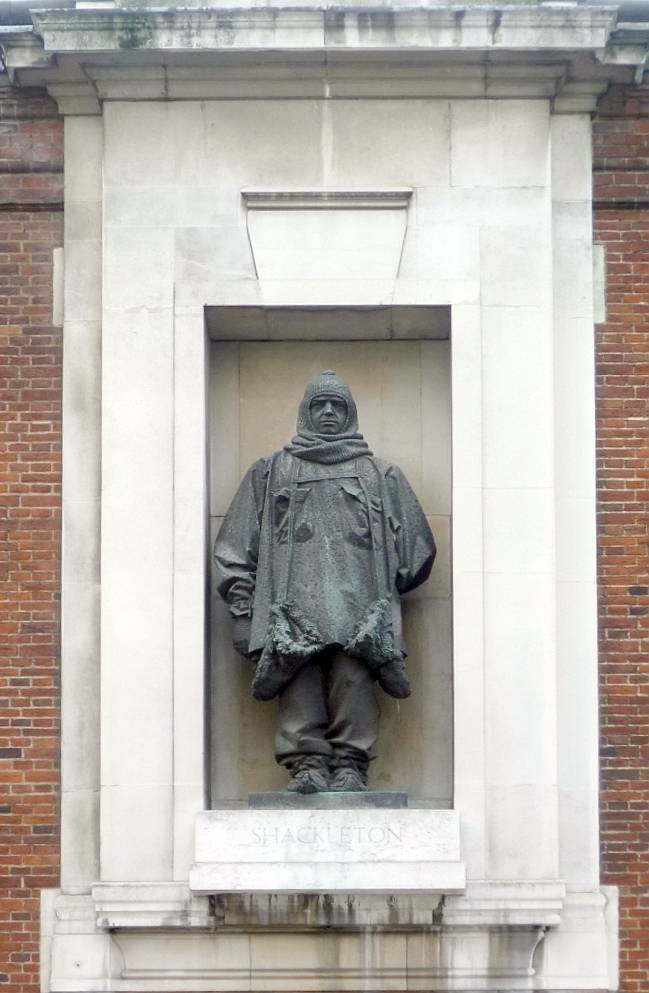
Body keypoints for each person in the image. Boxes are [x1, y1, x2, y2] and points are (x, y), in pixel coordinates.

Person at [214, 370, 435, 793]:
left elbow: (417, 546)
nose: (329, 412)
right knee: (299, 684)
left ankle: (352, 763)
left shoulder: (381, 476)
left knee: (354, 682)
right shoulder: (270, 473)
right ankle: (308, 765)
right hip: (289, 614)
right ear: (306, 413)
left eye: (338, 405)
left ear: (351, 414)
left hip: (361, 614)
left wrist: (384, 591)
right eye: (320, 405)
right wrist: (243, 609)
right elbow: (236, 547)